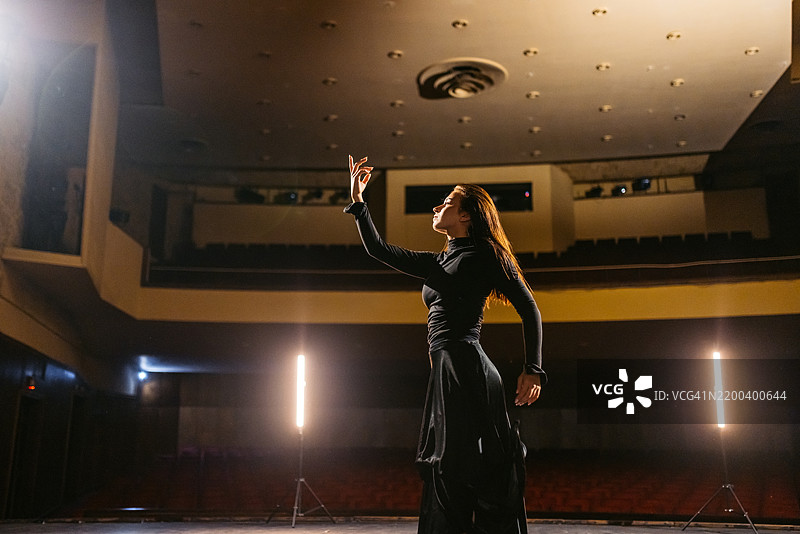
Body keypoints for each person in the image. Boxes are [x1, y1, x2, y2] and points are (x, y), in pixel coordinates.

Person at [345, 155, 546, 534]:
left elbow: (529, 308)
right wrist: (358, 202)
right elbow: (379, 250)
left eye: (448, 202)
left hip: (466, 365)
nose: (437, 207)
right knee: (448, 465)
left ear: (467, 215)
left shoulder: (488, 254)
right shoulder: (442, 260)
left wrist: (534, 369)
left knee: (465, 466)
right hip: (448, 368)